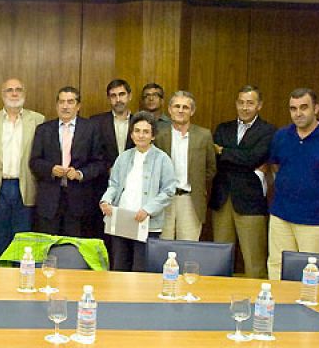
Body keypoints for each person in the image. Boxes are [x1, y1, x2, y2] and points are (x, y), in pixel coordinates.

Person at [266, 88, 319, 280]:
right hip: (281, 215)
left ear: (316, 108)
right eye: (293, 108)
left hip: (316, 219)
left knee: (312, 272)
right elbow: (276, 166)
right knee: (277, 266)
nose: (298, 113)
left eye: (304, 107)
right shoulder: (281, 136)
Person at [209, 85, 276, 279]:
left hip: (251, 202)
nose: (245, 107)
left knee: (254, 262)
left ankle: (256, 298)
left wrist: (224, 151)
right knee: (220, 260)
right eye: (241, 103)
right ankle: (219, 296)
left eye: (250, 103)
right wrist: (242, 158)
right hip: (222, 199)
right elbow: (215, 159)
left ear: (259, 105)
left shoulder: (268, 131)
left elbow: (253, 158)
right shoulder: (223, 128)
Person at [100, 112, 177, 271]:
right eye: (137, 131)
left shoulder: (163, 159)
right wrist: (106, 201)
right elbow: (113, 184)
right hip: (122, 219)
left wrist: (148, 209)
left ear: (153, 136)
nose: (141, 135)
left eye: (146, 132)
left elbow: (168, 191)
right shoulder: (123, 157)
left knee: (140, 269)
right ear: (132, 134)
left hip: (146, 222)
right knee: (119, 266)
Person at [0, 78, 45, 261]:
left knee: (23, 242)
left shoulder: (38, 120)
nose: (14, 93)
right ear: (2, 94)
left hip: (25, 186)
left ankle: (21, 276)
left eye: (18, 89)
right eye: (9, 90)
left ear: (24, 93)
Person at [30, 86, 106, 238]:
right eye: (62, 102)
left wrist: (79, 174)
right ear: (56, 105)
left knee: (74, 247)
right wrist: (51, 169)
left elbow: (100, 163)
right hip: (50, 201)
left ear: (78, 106)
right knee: (49, 246)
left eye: (70, 102)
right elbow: (34, 161)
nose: (65, 106)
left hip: (79, 201)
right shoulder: (43, 130)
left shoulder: (91, 128)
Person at [154, 91, 216, 241]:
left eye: (185, 107)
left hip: (190, 200)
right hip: (163, 199)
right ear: (169, 109)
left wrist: (197, 183)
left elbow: (210, 168)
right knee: (162, 246)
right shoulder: (158, 135)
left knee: (187, 247)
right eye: (177, 106)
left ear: (192, 111)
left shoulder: (204, 135)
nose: (180, 110)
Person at [90, 79, 135, 165]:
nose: (118, 100)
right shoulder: (96, 123)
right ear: (109, 99)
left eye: (121, 94)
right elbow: (92, 155)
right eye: (113, 96)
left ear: (129, 96)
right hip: (105, 172)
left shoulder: (139, 122)